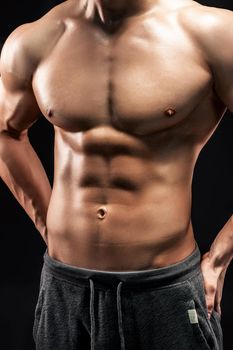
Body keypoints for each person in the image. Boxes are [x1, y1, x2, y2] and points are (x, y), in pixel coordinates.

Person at [0, 0, 232, 348]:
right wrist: (48, 224)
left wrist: (218, 258)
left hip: (163, 290)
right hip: (65, 287)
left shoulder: (212, 34)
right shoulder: (36, 39)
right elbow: (6, 132)